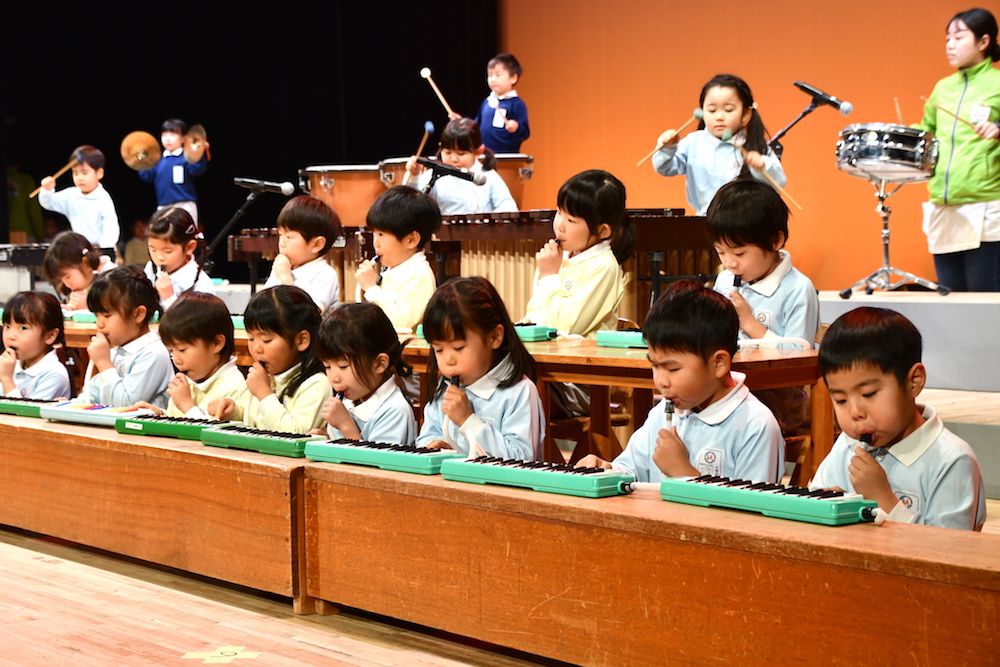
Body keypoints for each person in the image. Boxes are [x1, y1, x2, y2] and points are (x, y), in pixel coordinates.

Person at [577, 281, 785, 484]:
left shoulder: (756, 426)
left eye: (672, 369)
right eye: (655, 366)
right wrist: (607, 471)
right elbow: (632, 470)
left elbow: (751, 513)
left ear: (719, 364)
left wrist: (683, 472)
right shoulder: (663, 413)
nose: (661, 381)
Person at [810, 308, 986, 530]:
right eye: (841, 400)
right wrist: (821, 508)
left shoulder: (952, 460)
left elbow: (949, 555)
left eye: (869, 394)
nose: (855, 412)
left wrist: (883, 499)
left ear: (914, 381)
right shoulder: (846, 446)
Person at [708, 179, 819, 432]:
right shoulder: (725, 280)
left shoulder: (798, 289)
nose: (729, 264)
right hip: (728, 390)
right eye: (720, 252)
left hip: (775, 402)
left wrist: (749, 323)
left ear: (775, 240)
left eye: (739, 254)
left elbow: (799, 358)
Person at [916, 8, 1000, 292]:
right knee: (950, 300)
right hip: (944, 204)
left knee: (985, 301)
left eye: (958, 37)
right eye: (947, 38)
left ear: (983, 41)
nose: (949, 44)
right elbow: (927, 133)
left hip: (986, 204)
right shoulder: (943, 88)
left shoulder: (997, 83)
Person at [416, 277, 544, 460]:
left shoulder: (519, 392)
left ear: (494, 337)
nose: (448, 360)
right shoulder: (445, 388)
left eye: (458, 348)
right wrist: (435, 445)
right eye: (438, 349)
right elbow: (427, 435)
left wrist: (467, 420)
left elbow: (522, 459)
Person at [652, 74, 786, 216]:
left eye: (728, 110)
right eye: (711, 110)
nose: (719, 117)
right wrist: (667, 148)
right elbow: (664, 169)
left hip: (745, 222)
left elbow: (778, 185)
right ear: (702, 112)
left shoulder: (754, 146)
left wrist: (763, 166)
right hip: (704, 222)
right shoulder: (693, 142)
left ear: (745, 114)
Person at [523, 169, 635, 339]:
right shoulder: (556, 259)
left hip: (583, 358)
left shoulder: (603, 265)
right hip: (549, 353)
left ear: (602, 230)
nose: (559, 225)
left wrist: (549, 277)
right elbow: (537, 309)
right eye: (559, 212)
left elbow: (567, 326)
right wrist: (527, 323)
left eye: (571, 221)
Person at [209, 285, 331, 433]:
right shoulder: (266, 377)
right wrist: (233, 411)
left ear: (301, 340)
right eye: (251, 338)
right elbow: (256, 419)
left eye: (266, 340)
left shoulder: (316, 384)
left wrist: (264, 394)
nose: (256, 348)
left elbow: (295, 434)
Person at [313, 302, 417, 445]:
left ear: (379, 364)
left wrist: (346, 426)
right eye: (327, 366)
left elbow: (373, 465)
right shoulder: (348, 400)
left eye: (343, 366)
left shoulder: (395, 410)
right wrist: (326, 440)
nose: (334, 378)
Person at [134, 292, 248, 419]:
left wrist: (187, 406)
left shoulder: (236, 387)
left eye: (182, 350)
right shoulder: (189, 380)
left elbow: (214, 433)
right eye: (171, 351)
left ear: (216, 343)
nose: (176, 360)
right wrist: (160, 415)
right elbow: (178, 421)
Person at [77, 266, 173, 408]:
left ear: (138, 314)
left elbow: (125, 406)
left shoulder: (154, 353)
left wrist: (104, 363)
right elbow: (92, 395)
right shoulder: (116, 350)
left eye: (107, 316)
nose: (99, 324)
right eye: (97, 316)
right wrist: (68, 405)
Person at [355, 186, 441, 330]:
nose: (375, 242)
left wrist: (371, 288)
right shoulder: (394, 268)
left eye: (381, 235)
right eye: (374, 234)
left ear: (411, 240)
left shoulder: (419, 274)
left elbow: (400, 323)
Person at [404, 118, 517, 215]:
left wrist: (489, 222)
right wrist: (414, 176)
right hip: (444, 237)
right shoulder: (435, 174)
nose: (453, 159)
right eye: (447, 153)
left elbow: (509, 206)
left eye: (461, 154)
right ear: (440, 147)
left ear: (478, 151)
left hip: (479, 236)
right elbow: (411, 204)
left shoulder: (487, 176)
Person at [262, 195, 341, 314]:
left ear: (317, 244)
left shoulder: (325, 274)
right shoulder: (282, 268)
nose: (281, 243)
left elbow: (307, 314)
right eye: (280, 235)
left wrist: (285, 279)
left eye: (289, 237)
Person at [37, 145, 119, 248]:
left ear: (99, 173)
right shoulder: (71, 195)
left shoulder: (103, 198)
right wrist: (47, 190)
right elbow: (48, 203)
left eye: (84, 173)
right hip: (79, 249)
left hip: (100, 251)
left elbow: (111, 228)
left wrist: (102, 247)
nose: (80, 178)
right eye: (75, 173)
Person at [0, 291, 73, 399]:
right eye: (7, 326)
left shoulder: (54, 375)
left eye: (23, 328)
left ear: (50, 336)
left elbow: (27, 414)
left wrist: (6, 379)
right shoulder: (9, 365)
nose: (11, 336)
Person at [137, 119, 208, 224]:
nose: (168, 139)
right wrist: (141, 161)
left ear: (183, 138)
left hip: (184, 205)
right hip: (163, 206)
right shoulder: (159, 160)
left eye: (173, 135)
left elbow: (197, 170)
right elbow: (148, 176)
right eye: (164, 135)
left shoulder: (186, 157)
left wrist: (199, 152)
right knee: (163, 237)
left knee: (184, 236)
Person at [143, 207, 215, 310]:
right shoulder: (150, 268)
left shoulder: (202, 284)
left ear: (190, 247)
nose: (159, 257)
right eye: (153, 250)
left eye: (168, 251)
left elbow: (196, 324)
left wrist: (169, 299)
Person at [471, 53, 530, 154]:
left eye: (498, 75)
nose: (493, 79)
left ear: (513, 78)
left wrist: (516, 127)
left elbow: (525, 132)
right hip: (484, 155)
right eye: (490, 75)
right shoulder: (487, 102)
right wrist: (462, 122)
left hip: (505, 155)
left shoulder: (517, 104)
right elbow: (476, 126)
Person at [43, 231, 115, 311]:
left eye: (68, 277)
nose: (67, 284)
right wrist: (70, 307)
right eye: (61, 279)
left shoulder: (113, 281)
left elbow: (116, 314)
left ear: (85, 263)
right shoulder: (80, 285)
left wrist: (89, 306)